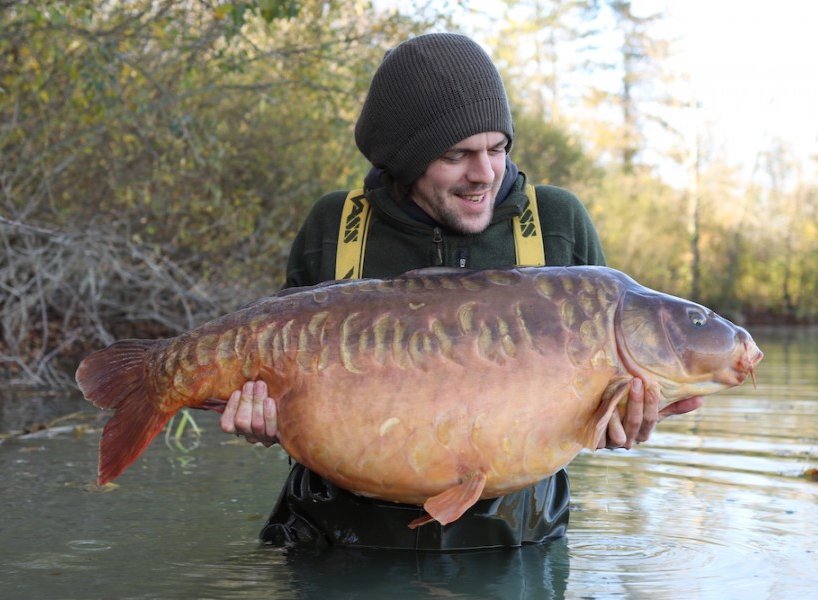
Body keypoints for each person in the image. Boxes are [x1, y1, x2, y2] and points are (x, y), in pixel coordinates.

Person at [219, 33, 703, 550]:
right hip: (338, 541)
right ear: (405, 162)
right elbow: (281, 385)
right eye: (457, 155)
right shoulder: (335, 227)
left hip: (514, 547)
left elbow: (596, 399)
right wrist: (265, 419)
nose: (485, 174)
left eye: (497, 149)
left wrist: (617, 422)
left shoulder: (557, 224)